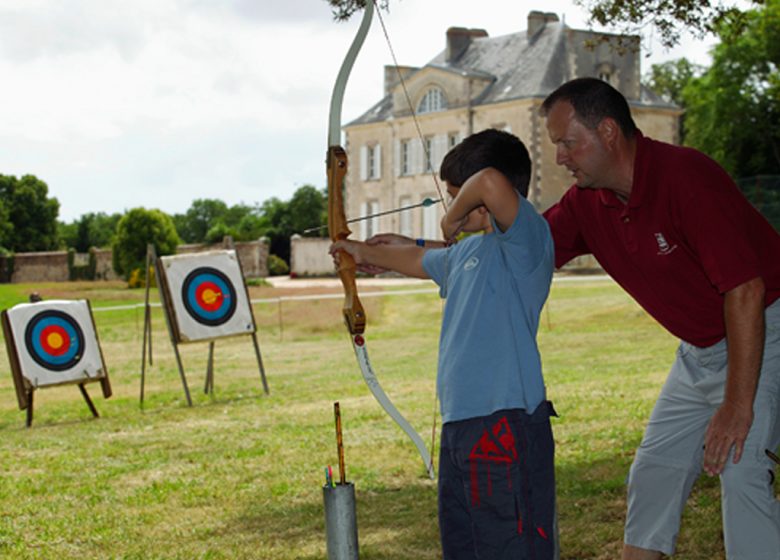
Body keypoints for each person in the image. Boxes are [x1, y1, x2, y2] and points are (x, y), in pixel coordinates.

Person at [541, 77, 780, 559]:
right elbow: (524, 253)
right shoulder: (588, 200)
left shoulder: (685, 176)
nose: (560, 157)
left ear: (608, 131)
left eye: (568, 142)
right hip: (699, 353)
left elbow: (746, 289)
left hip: (766, 331)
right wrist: (428, 253)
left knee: (741, 468)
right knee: (653, 472)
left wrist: (736, 405)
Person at [331, 128, 557, 559]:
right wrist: (360, 251)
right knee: (465, 544)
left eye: (456, 195)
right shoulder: (467, 255)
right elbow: (419, 259)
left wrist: (451, 218)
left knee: (509, 543)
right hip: (462, 428)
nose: (450, 204)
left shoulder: (528, 241)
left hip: (505, 426)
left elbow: (490, 180)